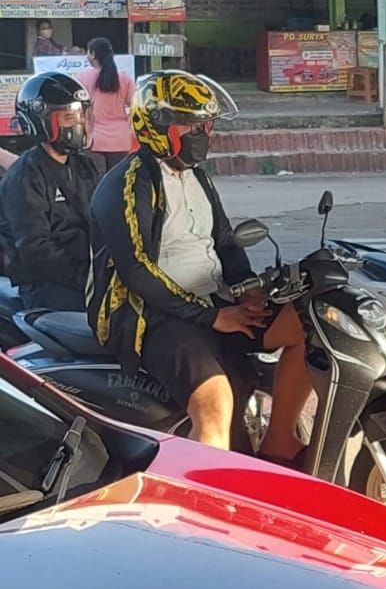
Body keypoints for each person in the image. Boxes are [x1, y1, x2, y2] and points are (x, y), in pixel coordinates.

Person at [87, 70, 312, 462]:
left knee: (306, 326)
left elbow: (224, 241)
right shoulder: (128, 183)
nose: (202, 133)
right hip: (151, 316)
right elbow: (137, 271)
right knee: (215, 403)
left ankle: (278, 445)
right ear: (157, 126)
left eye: (205, 124)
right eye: (190, 124)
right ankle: (206, 506)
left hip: (211, 303)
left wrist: (249, 288)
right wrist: (211, 318)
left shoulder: (198, 178)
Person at [0, 72, 99, 310]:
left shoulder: (84, 165)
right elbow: (35, 249)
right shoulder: (25, 176)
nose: (78, 124)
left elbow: (104, 216)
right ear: (41, 120)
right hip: (47, 284)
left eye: (80, 116)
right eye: (68, 117)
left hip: (91, 274)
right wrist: (85, 277)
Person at [74, 37, 136, 173]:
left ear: (94, 55)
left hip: (93, 141)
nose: (87, 56)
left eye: (89, 52)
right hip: (120, 141)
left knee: (96, 187)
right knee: (116, 185)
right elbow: (135, 105)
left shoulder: (82, 78)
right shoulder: (125, 79)